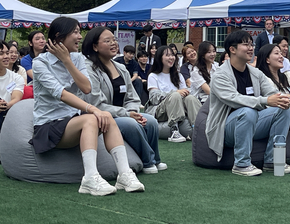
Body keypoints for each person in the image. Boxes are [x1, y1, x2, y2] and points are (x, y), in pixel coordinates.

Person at [30, 17, 144, 196]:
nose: (80, 36)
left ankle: (125, 174)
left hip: (73, 122)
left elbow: (86, 87)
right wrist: (93, 109)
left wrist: (67, 61)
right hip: (49, 126)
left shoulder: (77, 58)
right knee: (93, 117)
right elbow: (61, 94)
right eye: (75, 32)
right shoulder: (40, 63)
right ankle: (90, 178)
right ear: (60, 37)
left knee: (105, 116)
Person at [206, 30, 290, 176]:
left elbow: (272, 93)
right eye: (245, 44)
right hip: (225, 128)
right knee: (247, 111)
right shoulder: (220, 75)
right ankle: (241, 164)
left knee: (283, 110)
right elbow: (235, 99)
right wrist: (266, 101)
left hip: (251, 123)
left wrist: (282, 100)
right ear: (232, 49)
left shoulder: (256, 73)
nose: (251, 48)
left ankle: (274, 161)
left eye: (251, 44)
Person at [82, 27, 166, 174]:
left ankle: (156, 160)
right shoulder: (90, 69)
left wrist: (133, 111)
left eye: (114, 40)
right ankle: (148, 161)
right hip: (104, 116)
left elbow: (132, 97)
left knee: (150, 121)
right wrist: (127, 114)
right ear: (95, 46)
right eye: (107, 41)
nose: (114, 43)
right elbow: (96, 104)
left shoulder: (120, 67)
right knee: (130, 124)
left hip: (125, 112)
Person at [146, 45, 201, 143]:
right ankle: (174, 130)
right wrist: (174, 92)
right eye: (167, 55)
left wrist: (185, 92)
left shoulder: (178, 75)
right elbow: (154, 98)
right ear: (160, 58)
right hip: (160, 110)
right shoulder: (153, 76)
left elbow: (185, 93)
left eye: (172, 55)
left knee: (190, 98)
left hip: (179, 108)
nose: (171, 57)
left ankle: (199, 128)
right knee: (175, 95)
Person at [0, 40, 24, 130]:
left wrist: (5, 106)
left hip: (7, 117)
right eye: (1, 53)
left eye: (7, 53)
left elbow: (16, 98)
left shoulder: (16, 78)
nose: (6, 56)